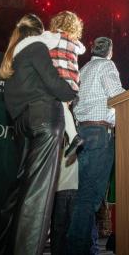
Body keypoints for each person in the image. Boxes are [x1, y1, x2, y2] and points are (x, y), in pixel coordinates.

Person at [0, 13, 77, 255]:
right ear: (39, 31)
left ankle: (0, 249)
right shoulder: (37, 46)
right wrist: (72, 95)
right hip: (45, 118)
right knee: (37, 195)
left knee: (18, 193)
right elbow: (52, 81)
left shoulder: (12, 57)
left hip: (21, 125)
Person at [66, 37, 125, 255]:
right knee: (90, 196)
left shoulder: (84, 68)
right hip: (100, 133)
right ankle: (74, 249)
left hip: (81, 132)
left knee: (82, 193)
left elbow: (74, 101)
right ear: (110, 50)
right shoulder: (106, 65)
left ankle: (88, 247)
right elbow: (117, 95)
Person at [47, 11, 86, 158]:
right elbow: (83, 49)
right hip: (71, 84)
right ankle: (73, 136)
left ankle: (70, 137)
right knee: (63, 109)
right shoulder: (76, 43)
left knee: (54, 111)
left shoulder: (52, 36)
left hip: (58, 80)